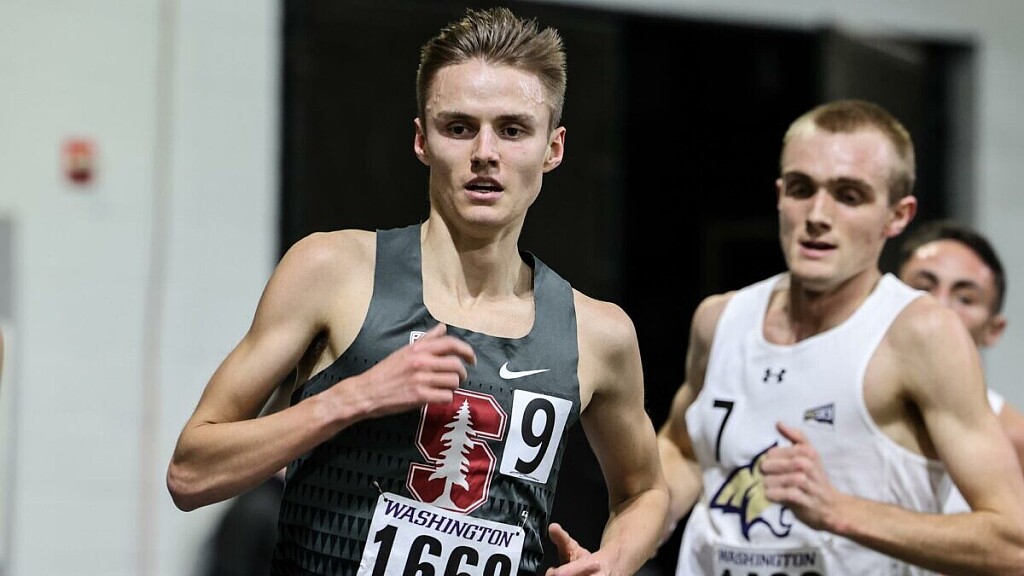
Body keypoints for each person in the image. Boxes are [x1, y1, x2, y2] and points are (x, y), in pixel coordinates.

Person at [167, 6, 668, 576]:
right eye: (459, 127)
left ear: (552, 149)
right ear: (422, 140)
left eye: (512, 130)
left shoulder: (596, 333)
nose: (485, 152)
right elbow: (190, 473)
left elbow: (645, 491)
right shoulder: (333, 272)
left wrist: (613, 563)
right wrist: (353, 397)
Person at [657, 99, 1024, 575]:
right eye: (801, 189)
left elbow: (1013, 544)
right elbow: (683, 450)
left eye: (849, 196)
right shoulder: (719, 318)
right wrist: (625, 542)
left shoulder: (922, 334)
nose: (817, 214)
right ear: (779, 195)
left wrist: (838, 511)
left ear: (898, 216)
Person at [895, 219, 1024, 511]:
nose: (938, 309)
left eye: (965, 299)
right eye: (922, 288)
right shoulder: (840, 397)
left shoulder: (1015, 439)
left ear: (994, 330)